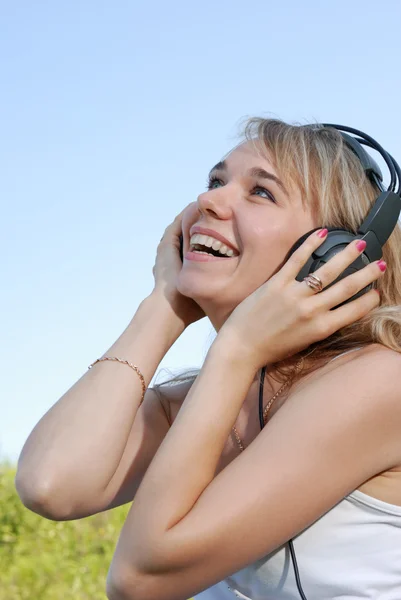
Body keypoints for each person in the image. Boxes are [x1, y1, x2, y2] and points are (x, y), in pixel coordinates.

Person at [15, 118, 401, 600]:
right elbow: (51, 484)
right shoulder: (212, 397)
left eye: (261, 192)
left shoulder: (379, 382)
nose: (208, 201)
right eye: (216, 182)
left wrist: (236, 349)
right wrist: (163, 303)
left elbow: (139, 579)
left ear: (333, 253)